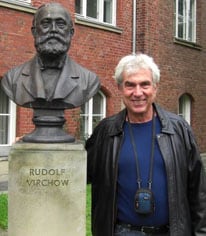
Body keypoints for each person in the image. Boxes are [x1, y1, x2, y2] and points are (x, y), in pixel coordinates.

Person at [85, 53, 206, 236]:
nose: (138, 93)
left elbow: (199, 192)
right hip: (122, 232)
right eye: (130, 85)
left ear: (155, 88)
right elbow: (80, 173)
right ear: (119, 88)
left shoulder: (179, 130)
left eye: (145, 84)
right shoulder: (106, 132)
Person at [1, 3, 100, 109]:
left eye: (60, 24)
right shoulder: (12, 79)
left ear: (71, 33)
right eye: (45, 24)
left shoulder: (89, 80)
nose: (53, 29)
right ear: (34, 32)